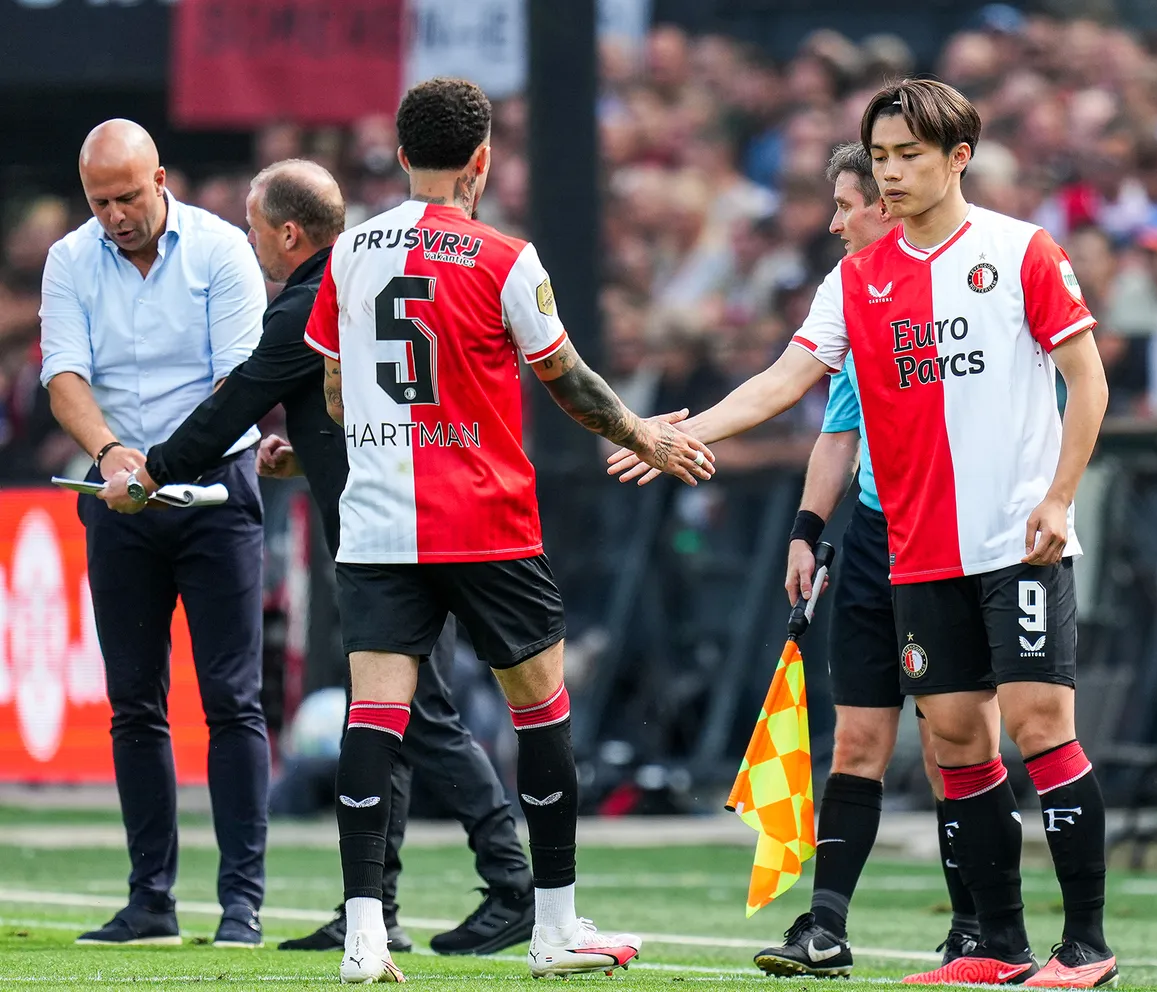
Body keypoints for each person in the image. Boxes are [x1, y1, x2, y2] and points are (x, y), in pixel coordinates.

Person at [612, 78, 1116, 989]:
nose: (889, 173)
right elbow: (782, 382)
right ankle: (998, 946)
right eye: (879, 156)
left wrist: (1059, 497)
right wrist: (672, 435)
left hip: (1017, 538)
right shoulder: (854, 280)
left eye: (907, 155)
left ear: (958, 157)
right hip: (918, 551)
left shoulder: (1020, 250)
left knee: (1041, 726)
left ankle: (1085, 945)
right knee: (958, 742)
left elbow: (1090, 380)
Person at [303, 77, 713, 984]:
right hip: (484, 519)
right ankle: (554, 927)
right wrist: (644, 436)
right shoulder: (506, 257)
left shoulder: (348, 253)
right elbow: (569, 381)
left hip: (377, 525)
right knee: (541, 711)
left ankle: (365, 936)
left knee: (375, 715)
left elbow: (334, 393)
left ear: (403, 155)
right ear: (482, 161)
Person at [97, 159, 538, 957]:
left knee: (419, 715)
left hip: (389, 543)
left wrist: (151, 473)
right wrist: (304, 452)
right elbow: (385, 402)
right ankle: (378, 904)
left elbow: (234, 402)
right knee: (391, 717)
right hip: (418, 521)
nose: (251, 243)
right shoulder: (372, 280)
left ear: (290, 233)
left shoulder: (313, 299)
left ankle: (512, 884)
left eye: (255, 228)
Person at [752, 142, 985, 979]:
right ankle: (825, 927)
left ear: (889, 202)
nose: (836, 222)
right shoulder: (856, 301)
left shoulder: (963, 287)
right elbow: (838, 430)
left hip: (956, 539)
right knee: (855, 738)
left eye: (846, 205)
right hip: (876, 537)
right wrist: (806, 530)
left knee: (954, 741)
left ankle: (977, 927)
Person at [39, 119, 271, 949]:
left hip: (213, 493)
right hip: (118, 495)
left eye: (128, 197)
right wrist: (111, 455)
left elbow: (237, 385)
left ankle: (241, 904)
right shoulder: (69, 260)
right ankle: (150, 902)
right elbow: (63, 375)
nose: (116, 216)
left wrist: (158, 467)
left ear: (161, 180)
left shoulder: (221, 250)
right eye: (100, 201)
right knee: (134, 702)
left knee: (232, 700)